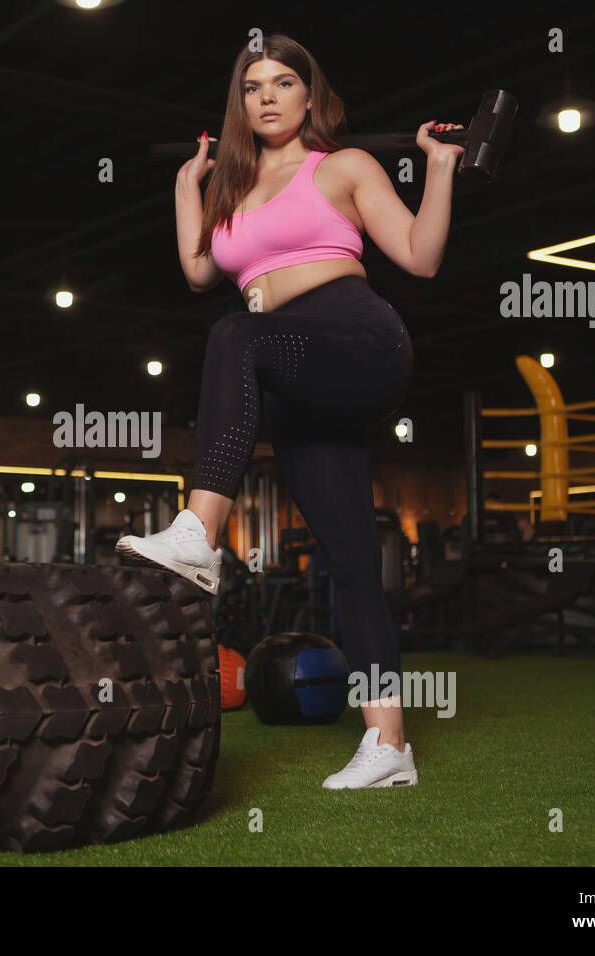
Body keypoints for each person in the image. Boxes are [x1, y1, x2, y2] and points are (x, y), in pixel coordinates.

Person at [116, 34, 463, 790]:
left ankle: (199, 534)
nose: (267, 96)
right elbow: (201, 269)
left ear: (311, 96)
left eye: (282, 82)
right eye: (251, 86)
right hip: (291, 373)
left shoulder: (341, 166)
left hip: (359, 343)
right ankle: (390, 747)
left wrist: (438, 171)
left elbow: (420, 255)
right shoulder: (231, 189)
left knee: (234, 333)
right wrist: (188, 187)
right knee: (348, 563)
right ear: (239, 104)